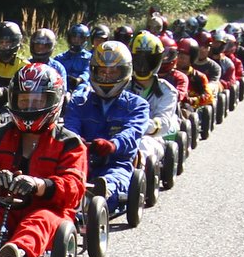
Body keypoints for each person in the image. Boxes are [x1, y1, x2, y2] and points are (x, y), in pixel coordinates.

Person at [0, 62, 88, 257]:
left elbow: (74, 188)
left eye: (37, 101)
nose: (29, 108)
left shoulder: (70, 143)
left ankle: (16, 255)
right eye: (24, 101)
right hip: (5, 204)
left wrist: (39, 185)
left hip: (50, 210)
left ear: (53, 100)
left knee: (40, 220)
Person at [63, 41, 150, 214]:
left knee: (114, 178)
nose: (107, 77)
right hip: (80, 160)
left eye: (113, 72)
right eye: (102, 72)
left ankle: (101, 195)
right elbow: (70, 127)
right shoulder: (79, 102)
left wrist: (112, 145)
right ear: (94, 72)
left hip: (116, 161)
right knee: (63, 176)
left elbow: (132, 132)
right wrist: (76, 141)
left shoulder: (137, 105)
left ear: (125, 72)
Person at [125, 32, 180, 179]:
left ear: (158, 60)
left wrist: (136, 126)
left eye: (148, 60)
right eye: (138, 59)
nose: (143, 65)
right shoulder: (122, 87)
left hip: (152, 138)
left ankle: (134, 176)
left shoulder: (167, 91)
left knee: (142, 145)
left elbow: (163, 123)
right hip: (119, 135)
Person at [56, 24, 92, 97]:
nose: (76, 40)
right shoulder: (60, 58)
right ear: (69, 39)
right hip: (63, 84)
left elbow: (87, 72)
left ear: (85, 39)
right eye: (74, 37)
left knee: (83, 90)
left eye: (80, 38)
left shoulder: (89, 57)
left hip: (80, 86)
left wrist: (79, 79)